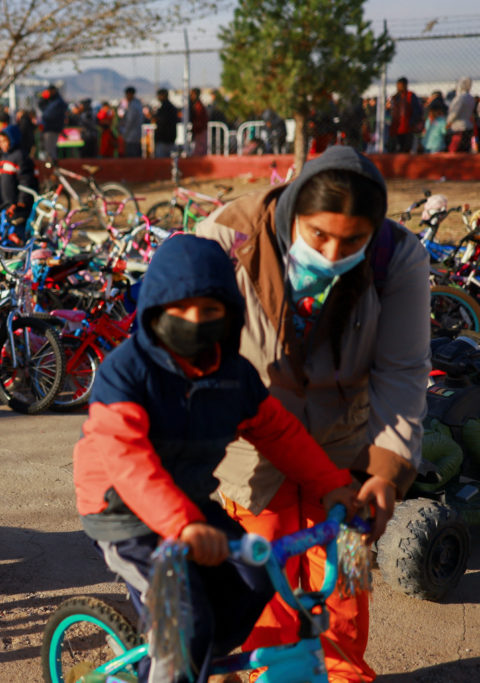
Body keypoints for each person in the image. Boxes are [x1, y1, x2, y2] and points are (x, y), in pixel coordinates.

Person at [74, 233, 361, 683]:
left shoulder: (234, 374)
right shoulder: (125, 374)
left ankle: (192, 662)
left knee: (256, 577)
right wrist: (181, 524)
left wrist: (331, 484)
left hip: (190, 502)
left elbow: (278, 431)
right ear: (154, 310)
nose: (196, 321)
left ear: (231, 314)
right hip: (123, 512)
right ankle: (176, 664)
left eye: (210, 311)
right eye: (181, 309)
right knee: (185, 621)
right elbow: (129, 461)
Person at [196, 146, 429, 682]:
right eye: (318, 235)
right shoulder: (228, 241)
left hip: (348, 448)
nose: (331, 253)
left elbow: (402, 370)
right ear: (293, 209)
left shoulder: (398, 257)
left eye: (351, 242)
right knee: (262, 580)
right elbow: (180, 344)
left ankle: (341, 672)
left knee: (344, 584)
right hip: (251, 448)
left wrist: (387, 471)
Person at [0, 124, 39, 239]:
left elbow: (26, 180)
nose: (2, 144)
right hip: (8, 203)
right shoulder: (5, 157)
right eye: (0, 142)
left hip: (19, 206)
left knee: (18, 233)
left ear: (13, 139)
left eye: (5, 141)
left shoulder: (20, 156)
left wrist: (21, 200)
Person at [387, 77, 423, 153]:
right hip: (395, 128)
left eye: (401, 85)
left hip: (407, 128)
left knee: (406, 148)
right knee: (396, 148)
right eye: (398, 85)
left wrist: (412, 122)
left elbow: (417, 110)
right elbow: (390, 111)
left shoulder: (411, 96)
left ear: (406, 85)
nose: (399, 87)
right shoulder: (394, 97)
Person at [445, 77, 475, 153]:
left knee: (455, 151)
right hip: (468, 127)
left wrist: (448, 122)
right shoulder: (471, 98)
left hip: (459, 128)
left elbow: (454, 113)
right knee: (465, 151)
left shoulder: (460, 98)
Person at [39, 84, 67, 163]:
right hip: (50, 127)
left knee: (50, 149)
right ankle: (51, 163)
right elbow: (42, 107)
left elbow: (48, 115)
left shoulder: (57, 102)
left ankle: (52, 166)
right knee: (49, 149)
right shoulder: (52, 100)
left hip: (51, 127)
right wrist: (43, 98)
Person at [119, 87, 145, 158]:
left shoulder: (133, 106)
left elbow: (130, 121)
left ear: (130, 94)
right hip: (136, 135)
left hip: (131, 137)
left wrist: (124, 133)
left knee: (131, 157)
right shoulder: (138, 104)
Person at [152, 89, 178, 158]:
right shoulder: (171, 107)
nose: (158, 97)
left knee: (162, 162)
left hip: (163, 139)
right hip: (170, 138)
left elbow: (162, 121)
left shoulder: (164, 108)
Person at [189, 88, 209, 156]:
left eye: (191, 94)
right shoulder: (197, 105)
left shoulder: (198, 106)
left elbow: (200, 120)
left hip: (200, 131)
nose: (190, 96)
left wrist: (195, 129)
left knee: (199, 151)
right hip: (199, 131)